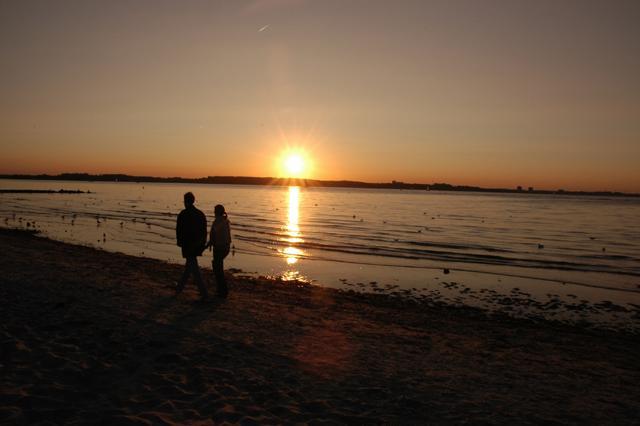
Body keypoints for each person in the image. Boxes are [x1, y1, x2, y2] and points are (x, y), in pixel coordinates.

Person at [175, 192, 208, 300]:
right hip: (197, 244)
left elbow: (179, 230)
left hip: (188, 244)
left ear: (186, 201)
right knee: (189, 267)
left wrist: (180, 243)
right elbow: (204, 231)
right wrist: (202, 244)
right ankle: (179, 288)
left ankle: (204, 293)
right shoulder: (200, 214)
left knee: (193, 269)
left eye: (184, 201)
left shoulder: (183, 214)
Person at [207, 204, 231, 298]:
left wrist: (207, 245)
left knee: (217, 268)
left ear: (217, 212)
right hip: (226, 248)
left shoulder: (217, 222)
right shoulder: (226, 221)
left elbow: (213, 236)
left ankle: (222, 290)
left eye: (214, 211)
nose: (213, 213)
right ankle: (222, 290)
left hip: (219, 248)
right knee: (218, 267)